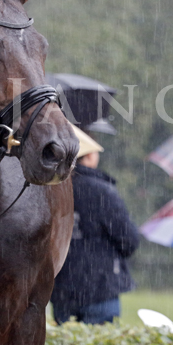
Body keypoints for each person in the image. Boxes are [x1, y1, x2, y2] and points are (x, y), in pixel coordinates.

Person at [51, 126, 140, 324]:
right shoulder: (102, 191)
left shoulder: (52, 191)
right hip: (100, 288)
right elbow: (129, 240)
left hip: (60, 289)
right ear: (89, 157)